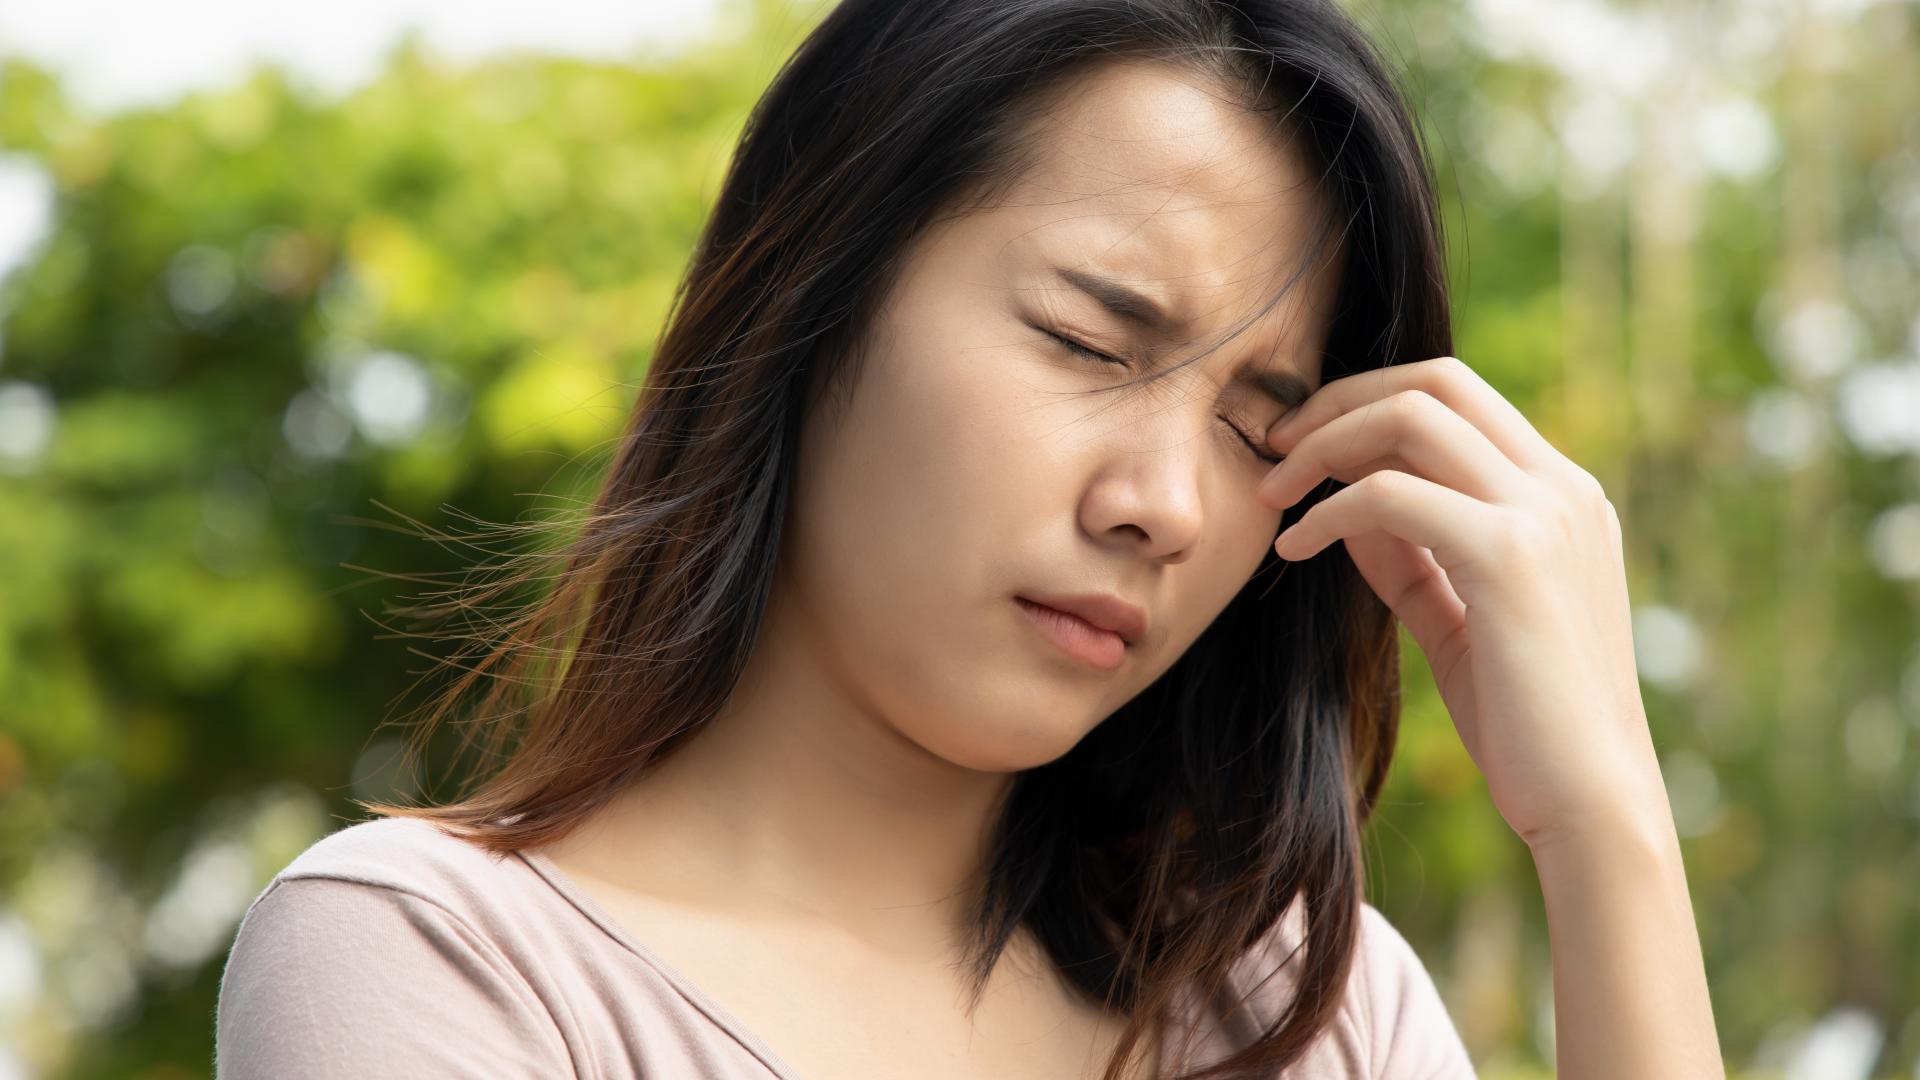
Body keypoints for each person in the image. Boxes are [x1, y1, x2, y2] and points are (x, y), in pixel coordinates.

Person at [213, 0, 1725, 1077]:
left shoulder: (1312, 1021)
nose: (1166, 502)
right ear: (816, 286)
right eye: (1089, 338)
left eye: (1261, 428)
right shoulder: (438, 965)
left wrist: (1606, 836)